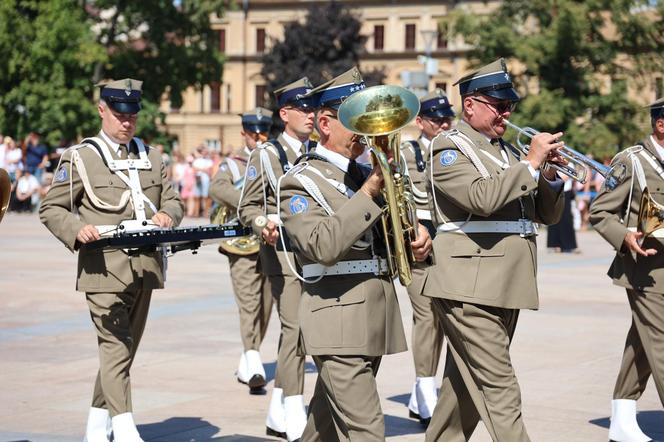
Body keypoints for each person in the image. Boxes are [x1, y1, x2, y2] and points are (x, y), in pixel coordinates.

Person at [278, 67, 432, 441]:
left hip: (373, 315)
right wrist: (370, 190)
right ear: (326, 123)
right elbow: (321, 245)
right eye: (355, 119)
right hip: (336, 319)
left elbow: (391, 240)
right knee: (367, 430)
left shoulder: (364, 173)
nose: (367, 129)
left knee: (324, 426)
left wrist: (418, 236)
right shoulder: (299, 180)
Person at [423, 58, 565, 442]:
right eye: (498, 105)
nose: (507, 113)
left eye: (509, 106)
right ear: (470, 105)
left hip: (504, 284)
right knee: (500, 390)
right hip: (468, 285)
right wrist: (532, 163)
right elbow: (480, 198)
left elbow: (544, 216)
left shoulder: (505, 153)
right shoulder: (448, 147)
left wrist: (548, 176)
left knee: (462, 393)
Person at [39, 78, 184, 442]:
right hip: (102, 267)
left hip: (145, 266)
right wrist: (76, 228)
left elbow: (173, 201)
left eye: (132, 116)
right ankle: (123, 426)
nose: (127, 122)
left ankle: (95, 424)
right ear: (102, 110)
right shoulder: (80, 157)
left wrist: (168, 216)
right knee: (115, 344)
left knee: (123, 349)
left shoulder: (152, 156)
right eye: (120, 115)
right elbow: (51, 208)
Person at [237, 76, 317, 441]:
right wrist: (260, 222)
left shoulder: (317, 151)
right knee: (295, 329)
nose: (312, 115)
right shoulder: (266, 154)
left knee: (300, 333)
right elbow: (247, 207)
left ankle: (278, 408)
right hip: (282, 252)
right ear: (285, 113)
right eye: (304, 108)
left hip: (315, 251)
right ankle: (294, 407)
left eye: (314, 108)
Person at [589, 97, 664, 442]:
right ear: (661, 124)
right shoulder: (631, 161)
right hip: (648, 269)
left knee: (643, 342)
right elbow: (600, 212)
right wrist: (625, 236)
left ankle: (621, 419)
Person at [209, 107, 274, 394]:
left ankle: (249, 354)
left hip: (270, 242)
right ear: (244, 134)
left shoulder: (275, 159)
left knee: (266, 305)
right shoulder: (233, 165)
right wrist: (251, 206)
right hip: (242, 243)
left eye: (263, 134)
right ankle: (253, 358)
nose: (259, 139)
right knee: (249, 303)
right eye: (253, 134)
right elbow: (218, 189)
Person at [400, 88, 454, 425]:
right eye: (438, 119)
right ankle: (424, 387)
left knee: (443, 320)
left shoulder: (455, 149)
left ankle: (422, 390)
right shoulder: (407, 152)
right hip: (418, 243)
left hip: (448, 245)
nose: (445, 124)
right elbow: (401, 197)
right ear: (421, 122)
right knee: (426, 318)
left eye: (448, 118)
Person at [546, 174, 578, 253]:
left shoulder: (570, 164)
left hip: (566, 193)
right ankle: (555, 244)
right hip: (554, 191)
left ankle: (568, 245)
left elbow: (568, 178)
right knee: (554, 218)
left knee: (566, 220)